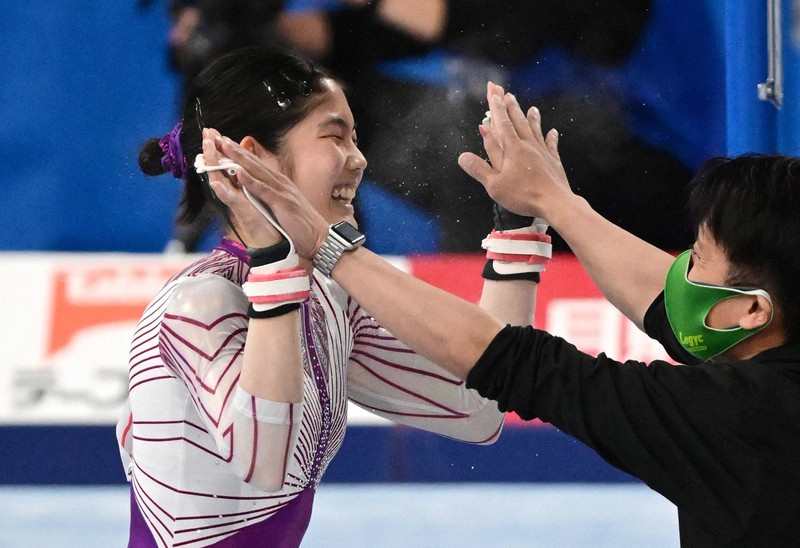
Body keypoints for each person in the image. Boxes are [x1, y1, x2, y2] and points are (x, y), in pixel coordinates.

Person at [210, 83, 800, 545]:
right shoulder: (765, 357)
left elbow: (510, 365)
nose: (678, 275)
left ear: (751, 311)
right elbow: (669, 303)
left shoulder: (739, 417)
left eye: (694, 261)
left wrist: (324, 243)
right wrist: (552, 205)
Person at [118, 48, 546, 546]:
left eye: (357, 138)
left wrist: (517, 225)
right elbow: (264, 461)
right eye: (335, 135)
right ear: (253, 158)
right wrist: (275, 257)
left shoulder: (328, 299)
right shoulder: (198, 304)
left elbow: (480, 407)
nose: (358, 159)